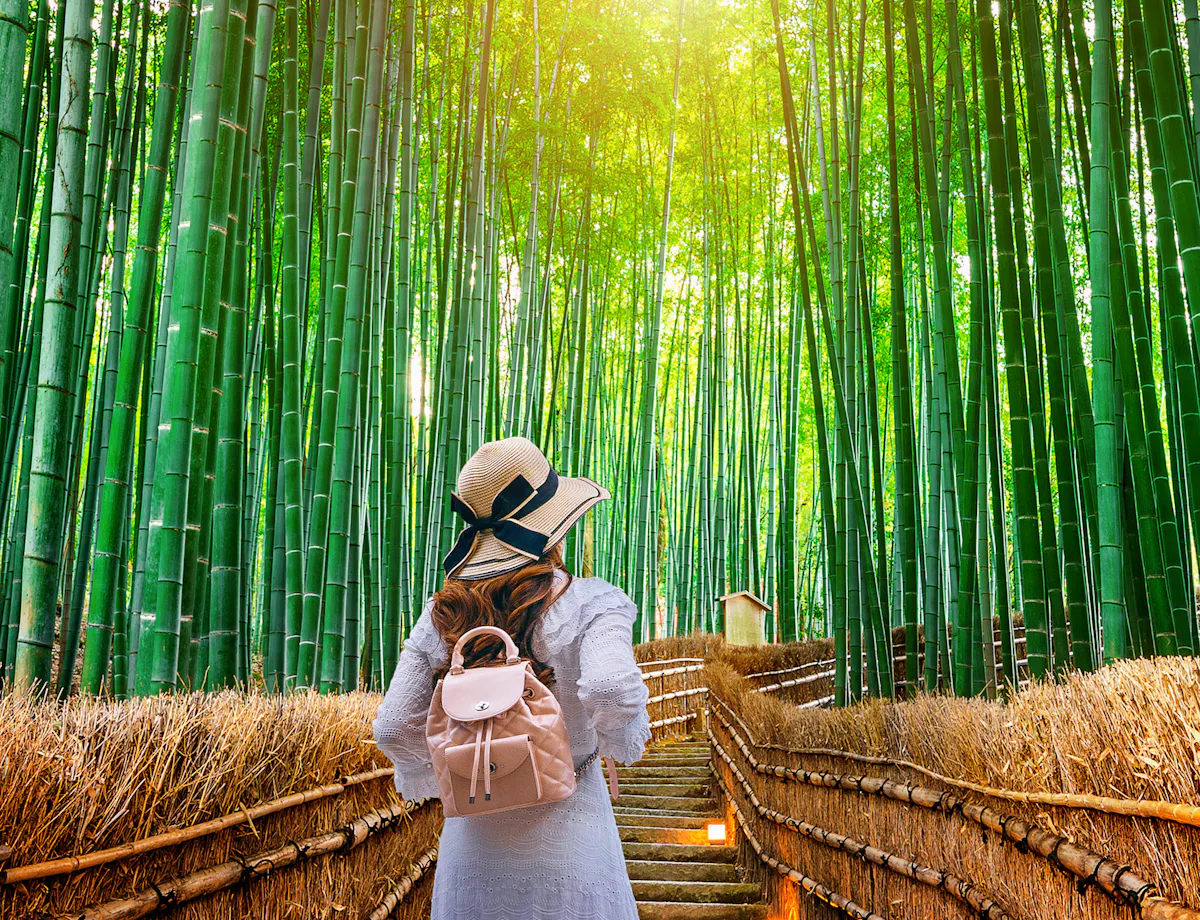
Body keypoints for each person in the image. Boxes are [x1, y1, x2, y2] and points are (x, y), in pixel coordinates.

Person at [373, 436, 650, 920]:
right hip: (572, 847)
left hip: (472, 860)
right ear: (552, 527)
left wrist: (451, 766)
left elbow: (393, 725)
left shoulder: (442, 615)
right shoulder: (591, 603)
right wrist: (613, 741)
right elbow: (610, 687)